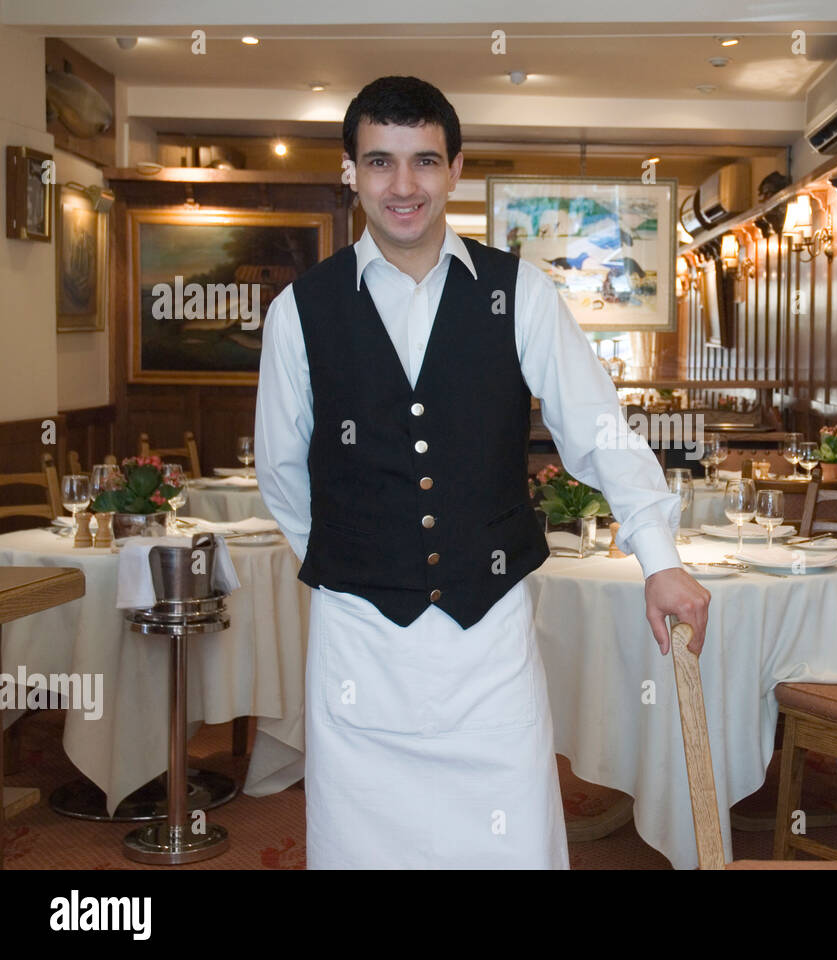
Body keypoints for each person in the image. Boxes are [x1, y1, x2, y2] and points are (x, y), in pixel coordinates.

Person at [254, 75, 710, 869]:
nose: (404, 186)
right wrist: (350, 561)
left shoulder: (519, 292)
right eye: (381, 163)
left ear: (456, 169)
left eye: (424, 162)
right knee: (366, 845)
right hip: (360, 642)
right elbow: (283, 471)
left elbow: (597, 430)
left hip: (489, 633)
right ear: (351, 172)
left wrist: (661, 560)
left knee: (508, 840)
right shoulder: (301, 309)